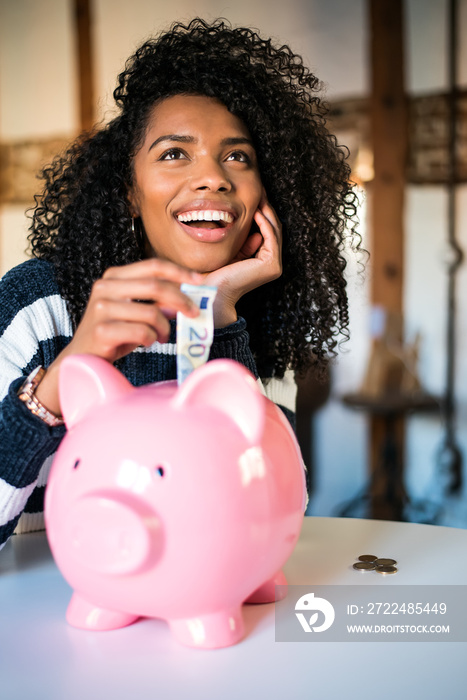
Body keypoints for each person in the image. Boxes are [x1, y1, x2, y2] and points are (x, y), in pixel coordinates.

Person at [0, 18, 360, 550]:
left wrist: (222, 317)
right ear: (128, 190)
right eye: (174, 153)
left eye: (237, 156)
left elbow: (265, 506)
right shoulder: (39, 302)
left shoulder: (258, 314)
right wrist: (75, 360)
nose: (214, 175)